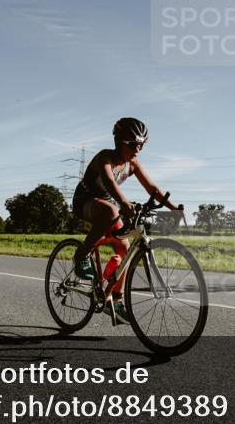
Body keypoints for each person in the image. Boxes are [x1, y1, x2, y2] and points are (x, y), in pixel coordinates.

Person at [71, 118, 181, 323]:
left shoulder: (133, 163)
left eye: (141, 144)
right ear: (118, 141)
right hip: (84, 201)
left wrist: (173, 208)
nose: (137, 149)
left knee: (124, 247)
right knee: (112, 210)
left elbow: (153, 189)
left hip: (109, 205)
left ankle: (117, 299)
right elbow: (109, 181)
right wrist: (123, 202)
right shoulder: (105, 157)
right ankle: (81, 256)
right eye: (133, 144)